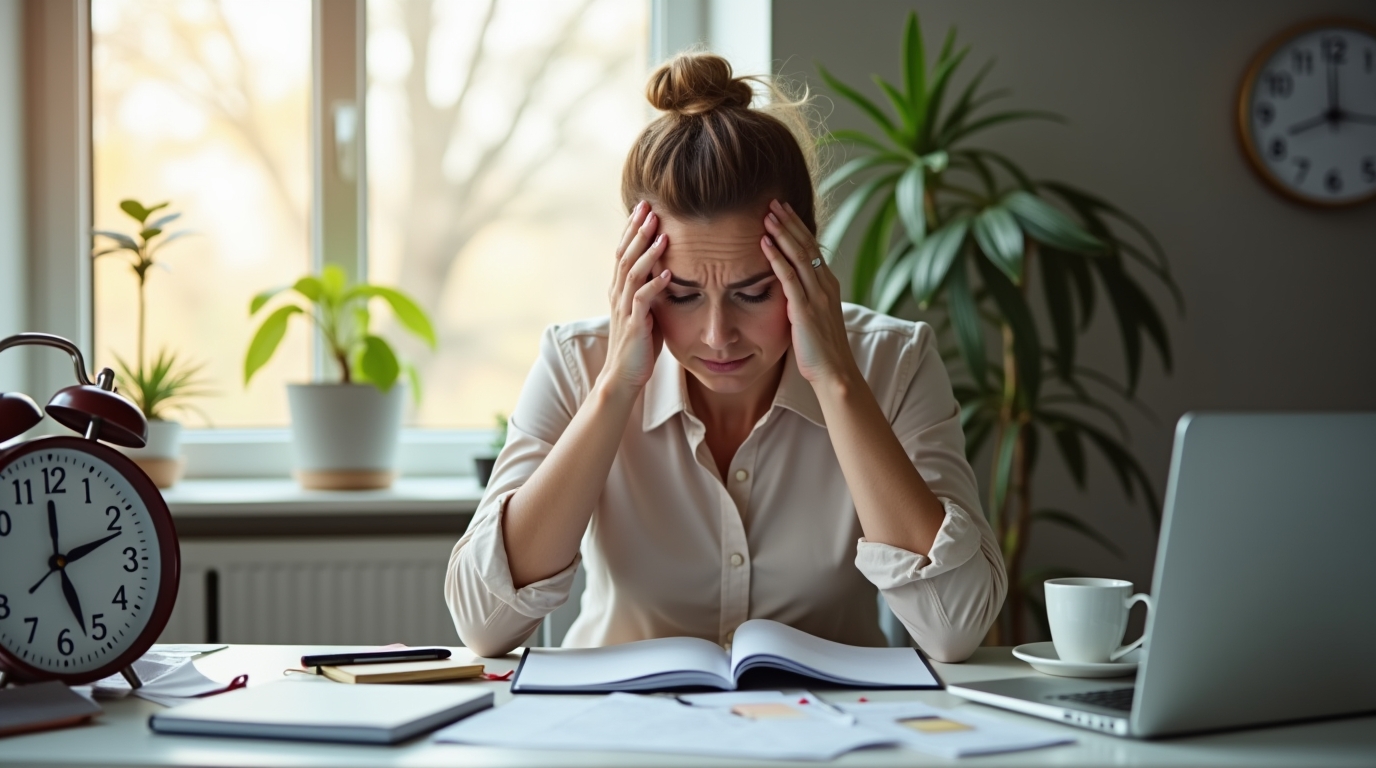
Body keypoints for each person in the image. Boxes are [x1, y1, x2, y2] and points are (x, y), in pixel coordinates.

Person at [445, 53, 1006, 663]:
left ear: (805, 265)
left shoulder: (893, 362)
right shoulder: (577, 362)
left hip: (825, 738)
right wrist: (614, 390)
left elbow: (957, 627)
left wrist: (838, 381)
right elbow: (484, 624)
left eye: (753, 292)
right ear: (639, 276)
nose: (718, 335)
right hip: (624, 735)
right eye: (682, 295)